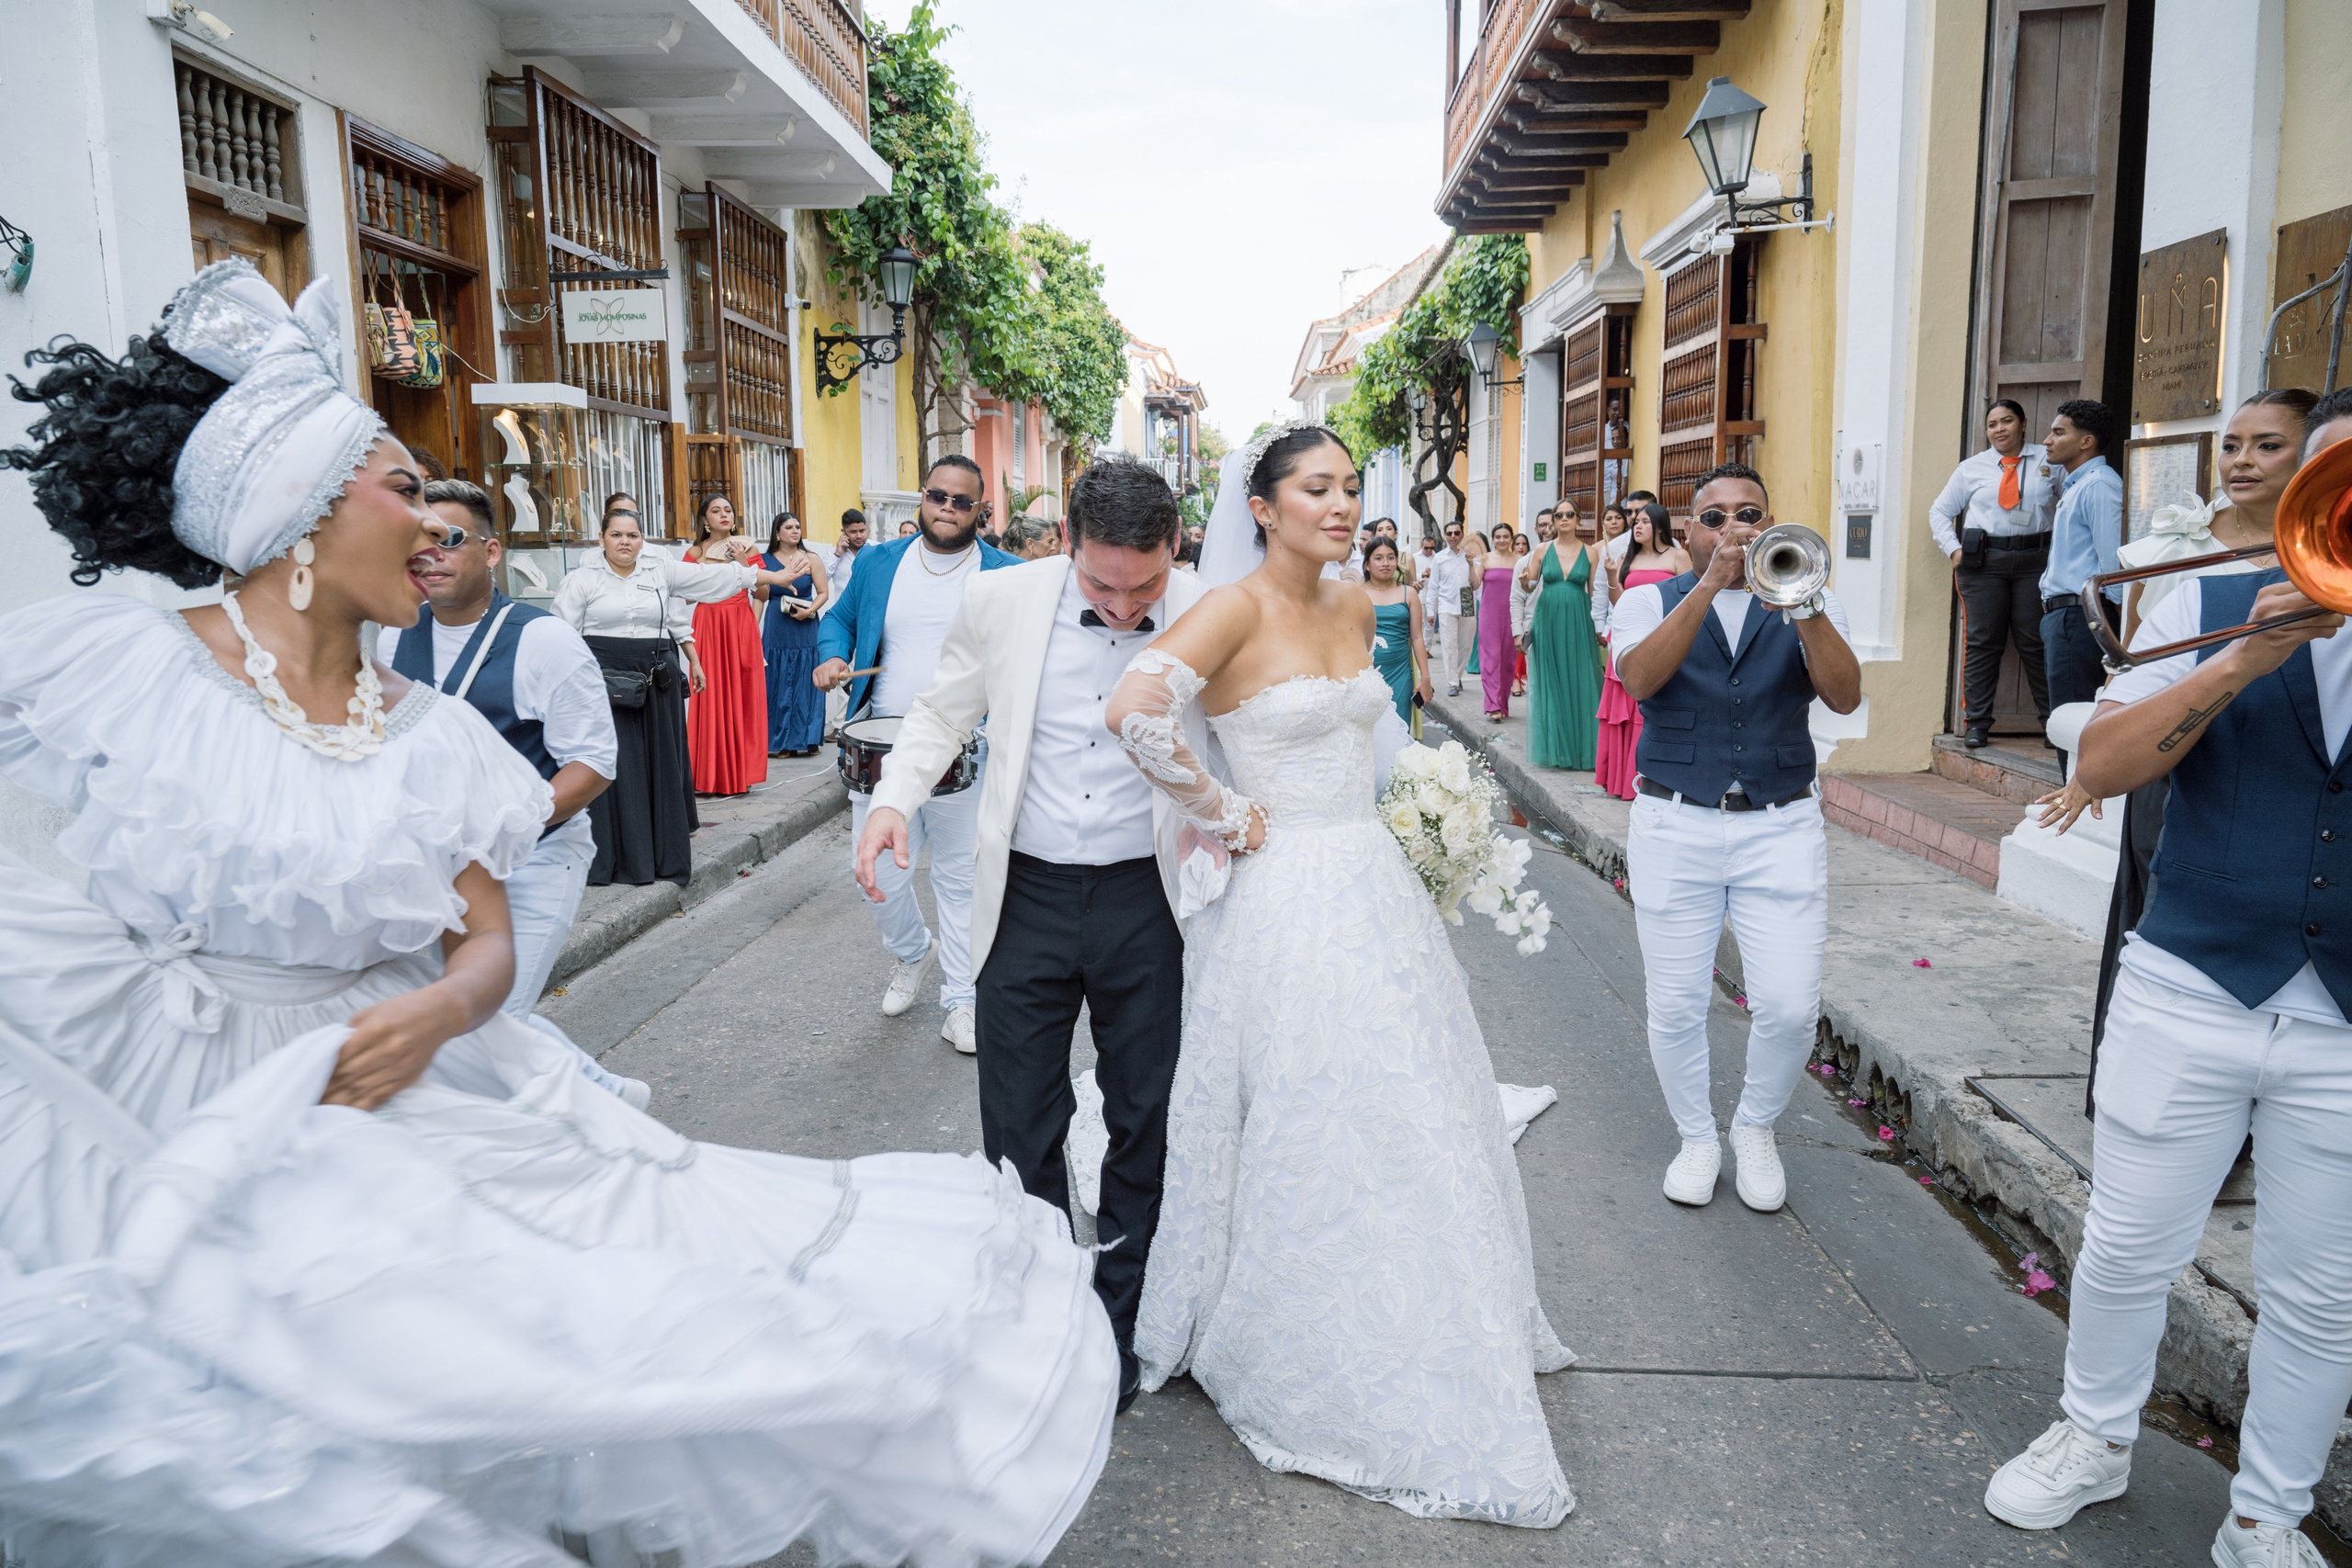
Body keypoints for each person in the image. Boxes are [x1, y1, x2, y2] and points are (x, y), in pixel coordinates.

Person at [0, 258, 1117, 1564]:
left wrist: (445, 1007)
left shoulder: (430, 740)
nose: (435, 524)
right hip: (159, 1094)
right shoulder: (123, 668)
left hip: (388, 1102)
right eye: (399, 487)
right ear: (295, 513)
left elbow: (483, 935)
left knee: (510, 1376)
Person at [1104, 423, 1574, 1526]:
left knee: (1411, 1090)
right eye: (1315, 487)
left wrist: (1427, 812)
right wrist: (1223, 812)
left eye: (1350, 485)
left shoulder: (1360, 605)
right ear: (1260, 507)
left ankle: (1435, 1300)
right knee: (1310, 1102)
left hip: (1371, 881)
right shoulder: (1232, 607)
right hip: (1285, 887)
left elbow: (1380, 734)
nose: (1339, 502)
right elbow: (1132, 712)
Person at [1980, 411, 2352, 1568]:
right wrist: (2254, 648)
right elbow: (2100, 766)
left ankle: (2265, 1516)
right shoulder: (2204, 599)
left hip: (2342, 1016)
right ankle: (2092, 1438)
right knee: (2131, 1244)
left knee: (2323, 1293)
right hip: (2190, 978)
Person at [854, 453, 1206, 1418]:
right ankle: (1045, 1316)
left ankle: (1122, 1319)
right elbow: (938, 711)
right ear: (1064, 546)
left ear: (1174, 547)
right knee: (1019, 1121)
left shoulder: (1212, 607)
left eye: (1146, 586)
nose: (1128, 607)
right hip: (1029, 895)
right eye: (1103, 584)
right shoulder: (1004, 603)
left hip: (1152, 900)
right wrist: (894, 800)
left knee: (1148, 1116)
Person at [1613, 463, 1860, 1211]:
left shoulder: (1807, 596)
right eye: (1714, 517)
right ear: (1687, 529)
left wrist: (1801, 600)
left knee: (1788, 1006)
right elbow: (1640, 680)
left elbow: (1845, 697)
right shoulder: (1644, 599)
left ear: (1770, 523)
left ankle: (1755, 1125)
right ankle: (1696, 1135)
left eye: (1748, 514)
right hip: (1673, 820)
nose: (1732, 530)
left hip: (1780, 824)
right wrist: (1706, 587)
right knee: (1677, 1003)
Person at [375, 477, 648, 1110]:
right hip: (432, 867)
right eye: (417, 541)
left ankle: (580, 1128)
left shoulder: (543, 639)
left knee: (478, 1022)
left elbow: (595, 762)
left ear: (491, 552)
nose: (429, 554)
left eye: (448, 539)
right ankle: (606, 1093)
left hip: (534, 860)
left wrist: (510, 829)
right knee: (482, 1023)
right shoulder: (391, 636)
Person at [815, 457, 1020, 1051]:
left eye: (963, 501)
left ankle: (963, 1000)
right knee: (875, 873)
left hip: (968, 748)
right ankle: (913, 951)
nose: (948, 509)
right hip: (882, 744)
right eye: (938, 496)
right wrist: (830, 657)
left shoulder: (1006, 574)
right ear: (921, 500)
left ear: (982, 511)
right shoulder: (880, 562)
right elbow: (838, 623)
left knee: (959, 880)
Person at [554, 500, 802, 886]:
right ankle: (611, 861)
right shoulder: (581, 580)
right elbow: (561, 637)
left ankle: (657, 859)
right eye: (616, 535)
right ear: (601, 539)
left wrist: (768, 577)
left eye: (632, 535)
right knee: (613, 771)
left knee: (657, 769)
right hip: (602, 686)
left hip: (654, 684)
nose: (624, 542)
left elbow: (711, 580)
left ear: (643, 541)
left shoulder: (661, 571)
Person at [1931, 399, 2060, 749]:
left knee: (2035, 642)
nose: (1999, 429)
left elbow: (2066, 507)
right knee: (1984, 643)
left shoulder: (2050, 461)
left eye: (2006, 421)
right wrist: (1954, 550)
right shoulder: (1971, 468)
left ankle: (2053, 723)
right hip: (1983, 564)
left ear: (2023, 423)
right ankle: (1976, 723)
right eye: (1992, 424)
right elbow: (1939, 512)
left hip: (2035, 561)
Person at [2038, 399, 2125, 768]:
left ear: (2086, 442)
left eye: (2059, 432)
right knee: (2066, 719)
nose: (2047, 440)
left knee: (2073, 720)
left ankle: (2079, 804)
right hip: (2064, 617)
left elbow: (2113, 566)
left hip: (2082, 616)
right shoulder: (2077, 486)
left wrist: (2115, 627)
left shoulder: (2100, 486)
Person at [1595, 506, 1688, 799]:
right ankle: (1623, 781)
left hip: (1663, 640)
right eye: (1635, 522)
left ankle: (1654, 777)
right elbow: (1619, 601)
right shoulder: (1627, 558)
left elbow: (1690, 599)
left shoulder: (1677, 556)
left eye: (1644, 522)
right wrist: (1612, 576)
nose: (1637, 526)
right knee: (1624, 713)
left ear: (1660, 526)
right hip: (1628, 640)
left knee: (1652, 710)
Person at [682, 493, 769, 796]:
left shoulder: (749, 547)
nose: (724, 515)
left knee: (742, 695)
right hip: (708, 624)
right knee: (711, 695)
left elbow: (764, 593)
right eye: (716, 511)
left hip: (740, 623)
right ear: (705, 519)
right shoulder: (694, 552)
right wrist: (706, 563)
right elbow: (685, 595)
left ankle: (739, 773)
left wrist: (743, 561)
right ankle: (707, 776)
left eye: (728, 510)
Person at [1521, 508, 1604, 769]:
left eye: (1569, 514)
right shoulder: (1542, 551)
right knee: (1551, 679)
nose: (1564, 518)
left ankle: (1580, 749)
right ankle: (1555, 749)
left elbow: (1595, 593)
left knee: (1579, 678)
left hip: (1579, 619)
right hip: (1548, 619)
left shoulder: (1591, 553)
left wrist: (1599, 627)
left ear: (1578, 519)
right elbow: (1530, 585)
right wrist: (1524, 582)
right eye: (1559, 515)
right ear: (1554, 522)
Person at [757, 510, 828, 757]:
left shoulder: (811, 559)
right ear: (777, 533)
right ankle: (781, 741)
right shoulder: (764, 560)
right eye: (789, 527)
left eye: (797, 527)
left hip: (806, 625)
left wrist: (809, 612)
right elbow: (762, 595)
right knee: (776, 679)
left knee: (805, 680)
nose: (795, 531)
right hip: (778, 625)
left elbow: (823, 592)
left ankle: (806, 738)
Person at [1364, 535, 1431, 733]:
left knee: (1398, 732)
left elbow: (1417, 637)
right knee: (1371, 734)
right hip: (1367, 675)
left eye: (1391, 557)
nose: (1385, 563)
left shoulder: (1408, 594)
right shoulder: (1357, 594)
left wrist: (1425, 677)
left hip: (1401, 675)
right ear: (1367, 564)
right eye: (1378, 558)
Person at [821, 508, 869, 739]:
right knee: (842, 672)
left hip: (870, 619)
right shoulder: (836, 555)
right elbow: (822, 578)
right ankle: (841, 724)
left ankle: (862, 721)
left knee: (864, 670)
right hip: (844, 623)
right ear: (844, 532)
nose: (859, 535)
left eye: (862, 530)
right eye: (853, 532)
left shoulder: (876, 550)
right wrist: (838, 553)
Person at [1421, 517, 1476, 696]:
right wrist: (1431, 611)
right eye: (1449, 533)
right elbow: (1433, 586)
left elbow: (1477, 583)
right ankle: (1452, 682)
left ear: (1462, 534)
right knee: (1449, 645)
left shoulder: (1471, 556)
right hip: (1446, 606)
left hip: (1467, 604)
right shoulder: (1439, 558)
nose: (1453, 536)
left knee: (1466, 646)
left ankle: (1457, 675)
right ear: (1445, 536)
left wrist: (1471, 564)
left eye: (1456, 533)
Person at [1477, 524, 1518, 717]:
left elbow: (1526, 587)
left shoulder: (1519, 561)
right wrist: (1471, 565)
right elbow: (1474, 583)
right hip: (1489, 614)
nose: (1502, 540)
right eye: (1498, 536)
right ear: (1492, 539)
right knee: (1491, 658)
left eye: (1505, 536)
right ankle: (1493, 704)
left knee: (1508, 661)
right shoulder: (1485, 559)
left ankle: (1503, 704)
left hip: (1512, 614)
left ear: (1511, 538)